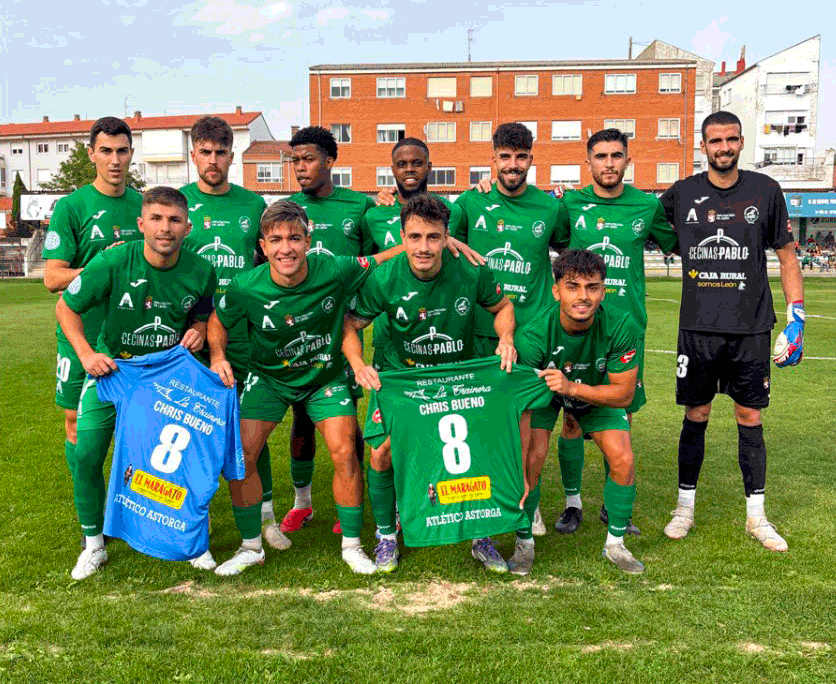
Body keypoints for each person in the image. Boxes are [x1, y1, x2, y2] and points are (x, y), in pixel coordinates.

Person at [207, 200, 475, 574]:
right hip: (269, 378)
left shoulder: (334, 268)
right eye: (276, 240)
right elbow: (218, 320)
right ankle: (251, 546)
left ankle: (351, 545)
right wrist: (217, 355)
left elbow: (381, 258)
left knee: (345, 452)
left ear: (308, 240)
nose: (286, 248)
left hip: (325, 376)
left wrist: (439, 243)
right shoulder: (245, 286)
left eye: (295, 238)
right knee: (242, 456)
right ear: (263, 246)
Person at [342, 193, 516, 573]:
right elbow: (350, 325)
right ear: (402, 237)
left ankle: (481, 535)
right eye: (416, 237)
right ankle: (387, 535)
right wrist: (357, 362)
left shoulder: (468, 270)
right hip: (401, 380)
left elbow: (502, 307)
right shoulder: (384, 277)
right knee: (381, 453)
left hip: (457, 378)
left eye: (433, 237)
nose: (424, 247)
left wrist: (505, 339)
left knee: (477, 453)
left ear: (446, 237)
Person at [659, 110, 804, 551]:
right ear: (703, 146)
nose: (723, 148)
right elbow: (633, 216)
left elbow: (786, 255)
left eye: (731, 140)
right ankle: (684, 508)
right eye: (715, 141)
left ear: (741, 143)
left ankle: (756, 518)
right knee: (696, 415)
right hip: (698, 327)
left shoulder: (766, 190)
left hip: (751, 328)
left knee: (750, 416)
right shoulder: (682, 193)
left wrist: (797, 316)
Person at [55, 186, 217, 579]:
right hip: (114, 373)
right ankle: (94, 545)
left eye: (175, 220)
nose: (166, 228)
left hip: (166, 379)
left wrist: (197, 330)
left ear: (188, 227)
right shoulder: (112, 260)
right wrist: (87, 355)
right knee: (88, 454)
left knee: (179, 463)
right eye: (157, 219)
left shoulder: (201, 270)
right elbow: (66, 307)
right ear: (141, 224)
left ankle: (190, 540)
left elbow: (202, 313)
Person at [542, 128, 677, 536]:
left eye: (617, 156)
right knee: (570, 417)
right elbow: (546, 239)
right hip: (578, 329)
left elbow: (679, 241)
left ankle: (611, 504)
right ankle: (572, 504)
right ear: (589, 163)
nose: (609, 163)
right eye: (600, 156)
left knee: (621, 415)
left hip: (627, 327)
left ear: (627, 161)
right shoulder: (571, 204)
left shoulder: (646, 205)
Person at [455, 122, 568, 535]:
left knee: (531, 426)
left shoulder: (552, 208)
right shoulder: (470, 202)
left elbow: (567, 251)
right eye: (505, 157)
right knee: (485, 421)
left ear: (531, 160)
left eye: (521, 157)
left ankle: (527, 500)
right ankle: (487, 499)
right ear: (493, 159)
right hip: (481, 330)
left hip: (532, 332)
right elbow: (444, 243)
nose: (513, 165)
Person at [179, 116, 280, 561]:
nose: (213, 160)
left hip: (246, 336)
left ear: (232, 156)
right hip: (190, 337)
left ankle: (268, 518)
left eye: (221, 152)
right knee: (189, 429)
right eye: (205, 151)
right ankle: (185, 520)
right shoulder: (176, 203)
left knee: (254, 428)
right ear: (193, 154)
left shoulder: (252, 204)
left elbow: (270, 262)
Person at [516, 250, 645, 573]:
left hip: (591, 389)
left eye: (593, 287)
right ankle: (523, 544)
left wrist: (572, 388)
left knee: (623, 458)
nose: (583, 296)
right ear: (556, 289)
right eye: (573, 286)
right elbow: (522, 408)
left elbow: (624, 393)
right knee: (530, 458)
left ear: (604, 290)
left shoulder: (620, 324)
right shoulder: (532, 335)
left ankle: (615, 544)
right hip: (544, 393)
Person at [42, 117, 143, 509]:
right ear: (91, 155)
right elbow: (52, 277)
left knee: (135, 428)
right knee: (75, 421)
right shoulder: (71, 206)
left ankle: (134, 508)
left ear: (131, 155)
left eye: (122, 151)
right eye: (106, 151)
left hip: (132, 336)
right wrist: (105, 269)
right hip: (79, 333)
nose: (114, 160)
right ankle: (91, 506)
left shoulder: (144, 206)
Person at [279, 126, 375, 536]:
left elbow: (375, 261)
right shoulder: (285, 209)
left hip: (342, 331)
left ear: (330, 161)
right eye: (295, 160)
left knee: (346, 420)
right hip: (299, 329)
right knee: (302, 416)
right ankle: (302, 504)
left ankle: (348, 504)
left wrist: (364, 313)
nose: (301, 167)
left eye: (309, 159)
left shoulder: (360, 206)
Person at [362, 137, 466, 369]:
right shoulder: (374, 215)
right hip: (391, 329)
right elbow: (367, 264)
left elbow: (462, 261)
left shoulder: (454, 212)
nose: (409, 169)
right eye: (402, 164)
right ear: (392, 170)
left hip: (443, 325)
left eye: (417, 163)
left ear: (429, 167)